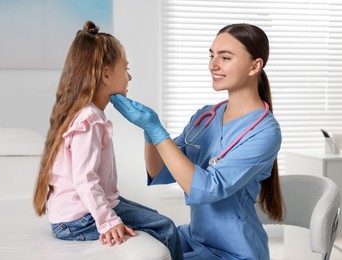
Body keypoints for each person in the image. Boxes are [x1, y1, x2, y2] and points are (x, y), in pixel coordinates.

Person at [110, 23, 284, 259]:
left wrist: (155, 128)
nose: (213, 65)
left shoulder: (265, 132)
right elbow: (161, 170)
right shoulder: (206, 116)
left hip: (234, 252)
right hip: (195, 237)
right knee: (134, 245)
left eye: (225, 57)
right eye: (212, 55)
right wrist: (149, 131)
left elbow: (207, 188)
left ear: (255, 66)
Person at [33, 20, 183, 259]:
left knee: (154, 216)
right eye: (126, 69)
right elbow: (85, 179)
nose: (130, 77)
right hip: (78, 221)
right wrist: (107, 222)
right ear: (105, 74)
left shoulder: (83, 112)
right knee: (165, 227)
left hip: (73, 216)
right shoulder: (89, 118)